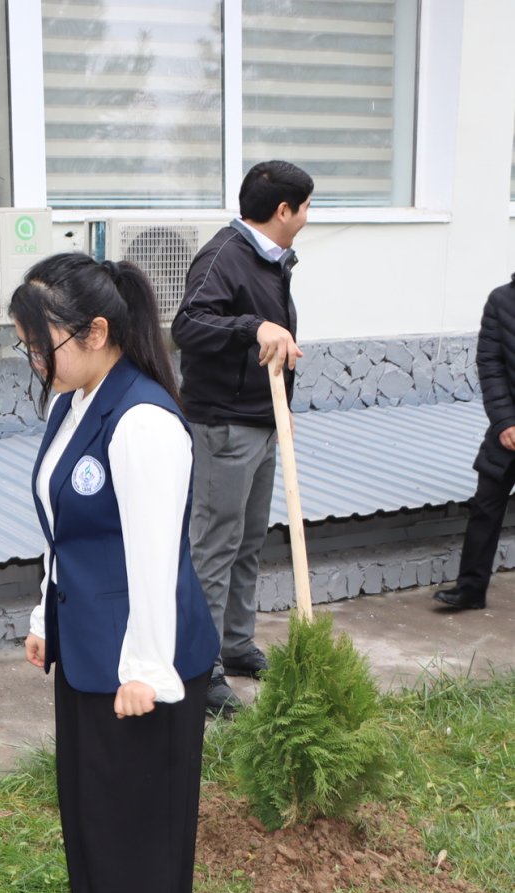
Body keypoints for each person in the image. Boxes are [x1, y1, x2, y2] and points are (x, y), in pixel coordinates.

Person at [14, 252, 219, 893]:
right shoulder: (78, 397)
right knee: (90, 807)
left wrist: (145, 669)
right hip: (89, 646)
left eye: (44, 345)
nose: (37, 361)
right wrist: (43, 617)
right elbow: (64, 530)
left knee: (136, 821)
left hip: (142, 663)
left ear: (97, 332)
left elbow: (155, 559)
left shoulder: (143, 423)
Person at [171, 160, 314, 715]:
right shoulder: (224, 255)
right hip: (223, 428)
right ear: (284, 211)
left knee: (249, 542)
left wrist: (280, 410)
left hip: (260, 420)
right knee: (215, 544)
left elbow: (272, 348)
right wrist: (253, 326)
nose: (307, 215)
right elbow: (188, 327)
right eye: (305, 206)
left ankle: (235, 644)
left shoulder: (271, 259)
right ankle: (200, 668)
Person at [434, 273, 515, 611]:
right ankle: (470, 589)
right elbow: (491, 364)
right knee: (485, 505)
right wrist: (505, 421)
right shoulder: (501, 301)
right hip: (508, 429)